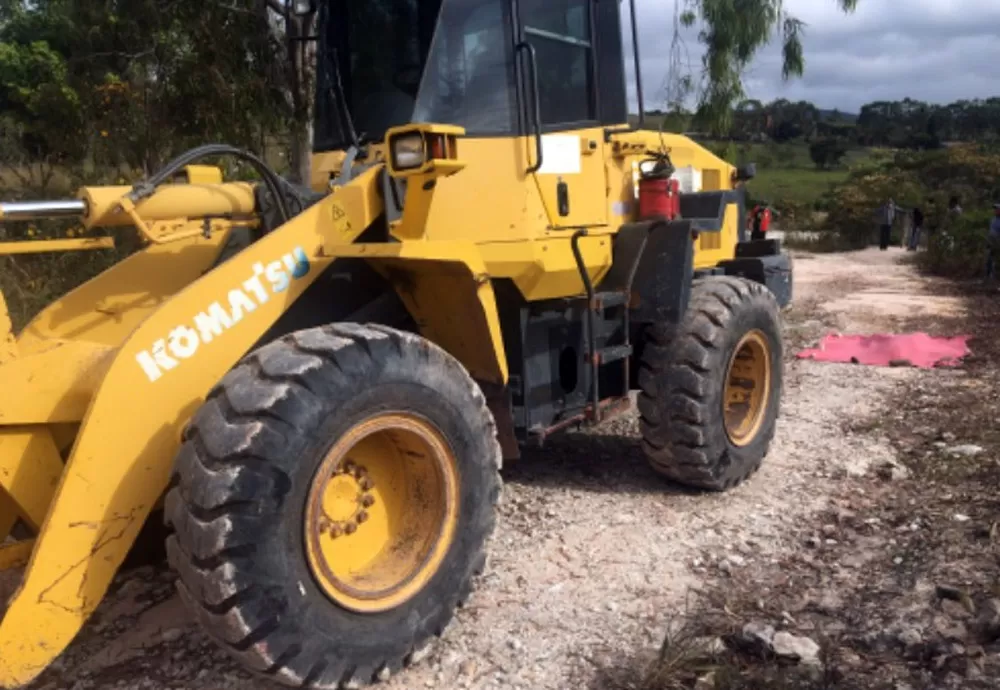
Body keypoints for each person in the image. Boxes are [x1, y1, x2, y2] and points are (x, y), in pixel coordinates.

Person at [987, 203, 1000, 282]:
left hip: (998, 242)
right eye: (995, 209)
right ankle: (989, 276)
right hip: (991, 242)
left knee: (995, 259)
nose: (995, 210)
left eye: (997, 209)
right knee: (989, 259)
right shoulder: (993, 219)